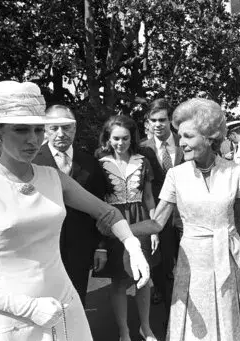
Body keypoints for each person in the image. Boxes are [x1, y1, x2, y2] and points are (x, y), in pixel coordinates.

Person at [0, 80, 155, 341]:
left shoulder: (53, 177)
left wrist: (131, 244)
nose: (33, 139)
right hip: (6, 316)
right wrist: (27, 308)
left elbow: (107, 212)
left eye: (37, 130)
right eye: (21, 130)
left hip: (63, 304)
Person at [153, 98, 240, 341]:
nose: (181, 142)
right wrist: (119, 227)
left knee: (228, 322)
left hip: (228, 256)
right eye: (179, 136)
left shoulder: (234, 171)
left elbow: (239, 219)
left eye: (188, 136)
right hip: (193, 262)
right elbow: (158, 222)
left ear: (209, 136)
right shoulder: (175, 175)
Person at [33, 104, 107, 306]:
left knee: (77, 302)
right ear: (45, 130)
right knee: (44, 305)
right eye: (54, 128)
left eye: (67, 127)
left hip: (80, 248)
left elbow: (99, 207)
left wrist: (101, 247)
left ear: (75, 128)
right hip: (41, 248)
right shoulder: (31, 162)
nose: (61, 133)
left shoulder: (90, 163)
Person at [94, 115, 159, 341]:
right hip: (113, 220)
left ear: (132, 138)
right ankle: (124, 330)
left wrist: (154, 229)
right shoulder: (99, 163)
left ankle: (146, 327)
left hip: (140, 219)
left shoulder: (144, 160)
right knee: (120, 280)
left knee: (144, 277)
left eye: (125, 138)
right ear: (108, 139)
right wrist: (99, 244)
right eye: (115, 139)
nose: (120, 143)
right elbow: (97, 199)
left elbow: (149, 197)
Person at [140, 98, 184, 324]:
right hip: (159, 216)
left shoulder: (185, 142)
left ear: (171, 121)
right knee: (164, 266)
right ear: (148, 123)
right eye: (153, 120)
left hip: (187, 216)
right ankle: (170, 319)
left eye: (162, 120)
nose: (158, 124)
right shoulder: (141, 149)